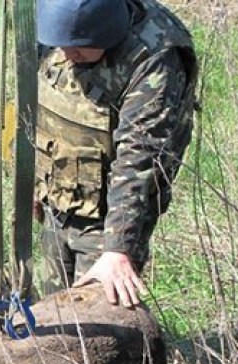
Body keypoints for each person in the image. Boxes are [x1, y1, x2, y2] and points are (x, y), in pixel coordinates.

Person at [32, 0, 198, 307]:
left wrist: (117, 249)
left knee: (100, 318)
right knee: (53, 308)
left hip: (109, 216)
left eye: (78, 46)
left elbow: (139, 159)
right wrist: (32, 179)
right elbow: (35, 103)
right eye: (60, 43)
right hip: (59, 198)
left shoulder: (155, 56)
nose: (67, 56)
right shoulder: (54, 23)